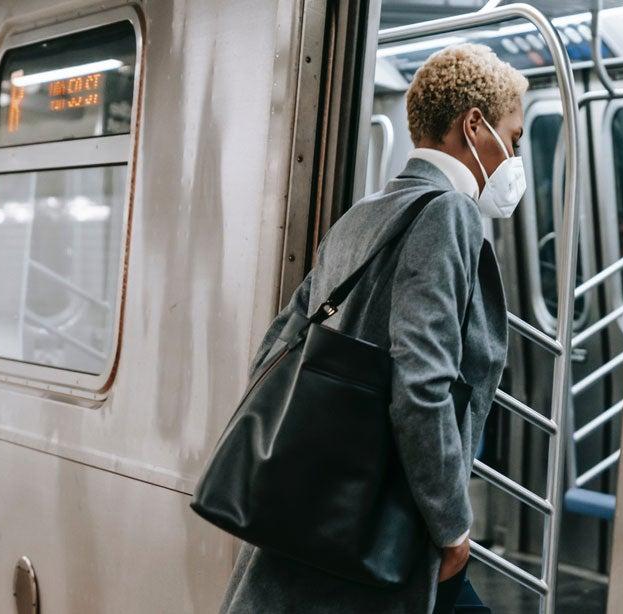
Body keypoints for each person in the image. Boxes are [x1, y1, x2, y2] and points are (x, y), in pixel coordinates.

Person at [218, 43, 527, 614]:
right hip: (379, 523)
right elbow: (421, 383)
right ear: (473, 124)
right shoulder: (448, 213)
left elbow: (275, 350)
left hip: (319, 508)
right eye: (513, 138)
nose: (513, 158)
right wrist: (452, 527)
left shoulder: (362, 214)